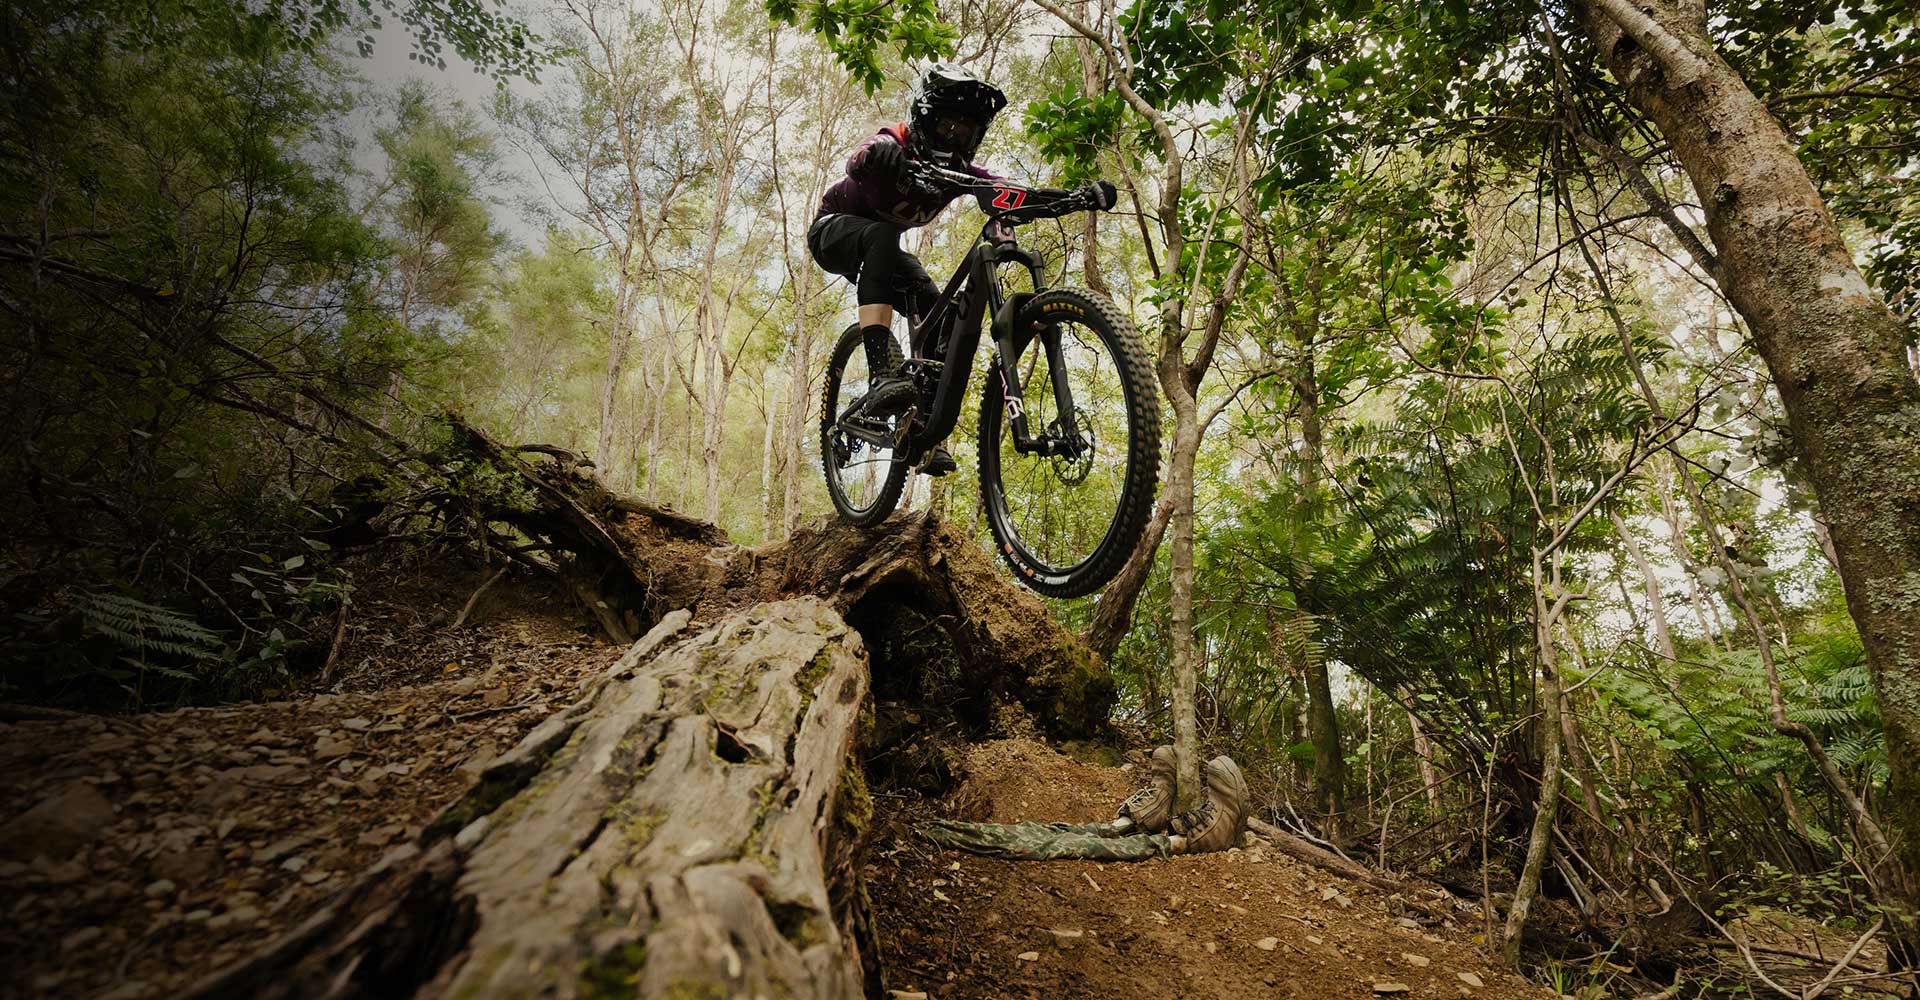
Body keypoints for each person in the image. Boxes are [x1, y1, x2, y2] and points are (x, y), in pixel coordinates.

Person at [807, 62, 1009, 477]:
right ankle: (882, 371)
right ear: (923, 119)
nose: (955, 137)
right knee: (882, 234)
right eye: (946, 126)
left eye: (966, 131)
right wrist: (876, 156)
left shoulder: (958, 173)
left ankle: (920, 428)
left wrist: (1071, 197)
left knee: (941, 314)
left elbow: (1003, 187)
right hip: (832, 234)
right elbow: (861, 156)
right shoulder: (896, 143)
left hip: (882, 252)